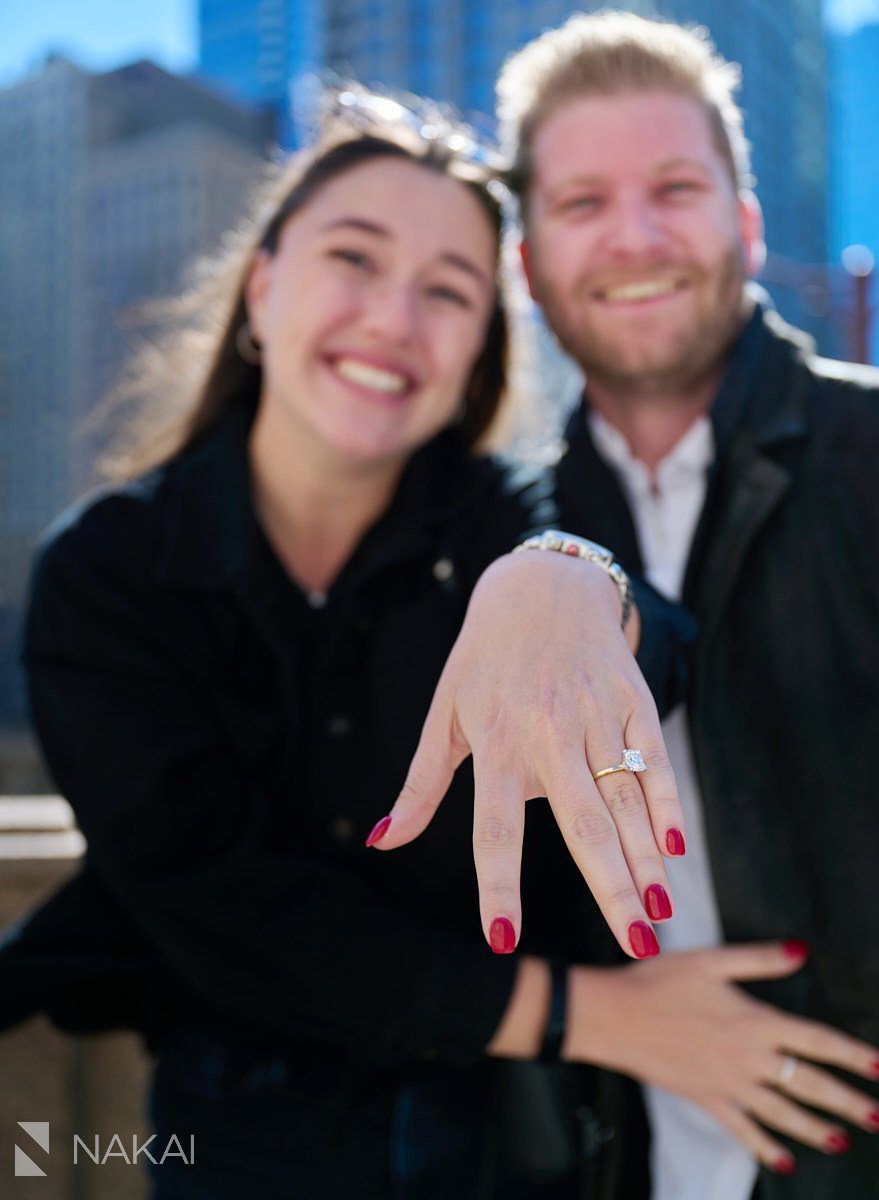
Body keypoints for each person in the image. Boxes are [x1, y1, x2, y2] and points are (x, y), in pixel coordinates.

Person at [0, 94, 691, 1198]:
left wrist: (575, 583)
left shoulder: (509, 521)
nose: (392, 318)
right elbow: (223, 907)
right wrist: (591, 1015)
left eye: (449, 292)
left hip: (507, 1153)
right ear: (262, 289)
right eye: (354, 259)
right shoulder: (109, 570)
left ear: (477, 358)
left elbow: (653, 633)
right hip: (232, 1145)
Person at [483, 11, 879, 1200]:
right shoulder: (486, 534)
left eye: (676, 187)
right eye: (584, 202)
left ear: (747, 225)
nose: (637, 235)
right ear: (528, 260)